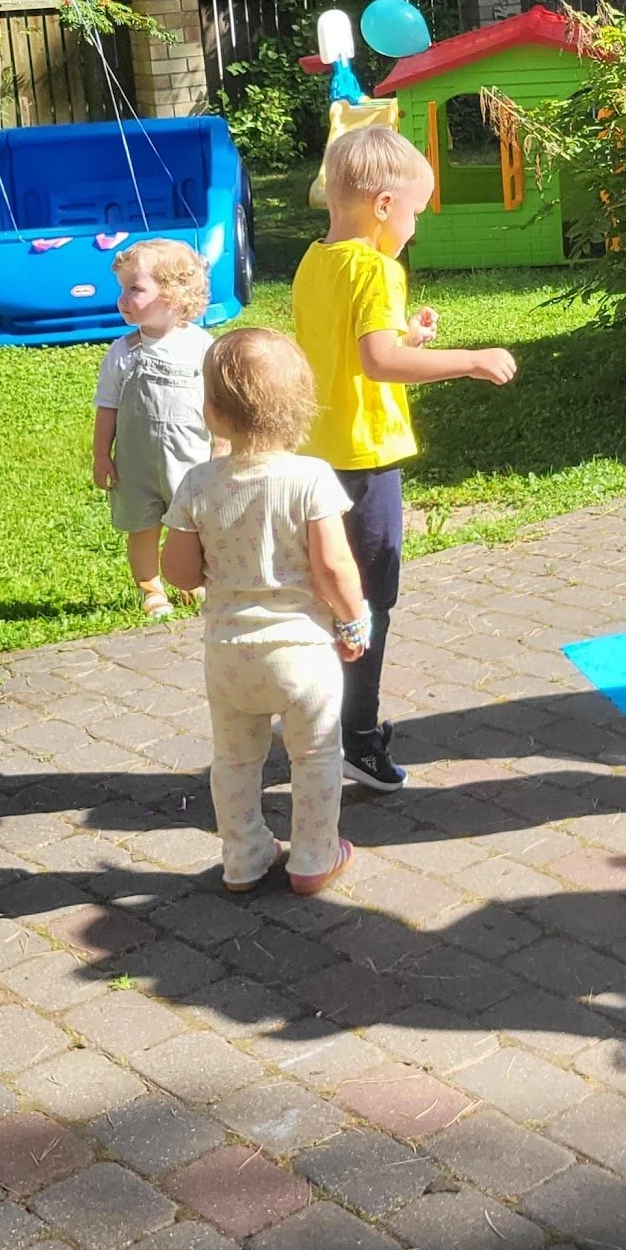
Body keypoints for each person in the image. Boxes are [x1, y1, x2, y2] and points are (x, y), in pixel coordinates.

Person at [291, 126, 516, 792]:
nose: (414, 227)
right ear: (384, 203)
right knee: (367, 602)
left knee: (327, 595)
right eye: (416, 211)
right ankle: (356, 738)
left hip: (317, 454)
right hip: (364, 458)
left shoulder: (315, 261)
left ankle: (314, 721)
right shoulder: (375, 267)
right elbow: (378, 361)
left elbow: (354, 346)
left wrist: (407, 333)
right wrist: (469, 360)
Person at [160, 329, 369, 897]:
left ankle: (245, 859)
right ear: (301, 406)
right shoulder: (311, 478)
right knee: (317, 755)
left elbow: (178, 573)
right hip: (302, 654)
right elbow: (333, 567)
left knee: (233, 761)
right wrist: (353, 620)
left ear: (212, 410)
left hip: (229, 656)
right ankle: (312, 857)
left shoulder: (198, 483)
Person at [91, 240, 215, 623]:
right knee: (141, 526)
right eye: (122, 289)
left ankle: (191, 581)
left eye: (135, 289)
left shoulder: (201, 346)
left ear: (175, 295)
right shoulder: (124, 352)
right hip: (137, 464)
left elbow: (216, 402)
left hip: (190, 459)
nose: (122, 298)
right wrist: (101, 454)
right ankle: (150, 588)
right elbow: (107, 406)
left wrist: (223, 445)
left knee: (191, 525)